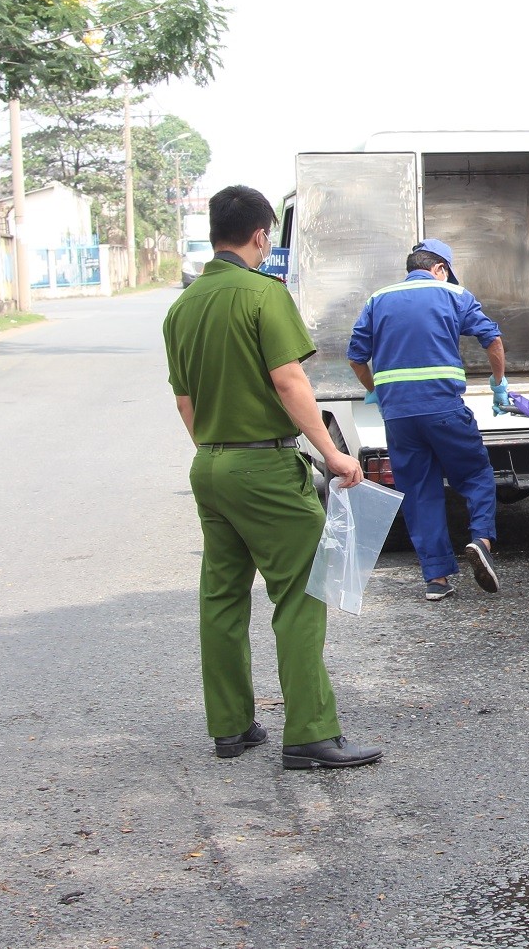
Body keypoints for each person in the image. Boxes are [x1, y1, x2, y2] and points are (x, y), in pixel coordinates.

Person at [162, 185, 382, 770]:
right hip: (263, 465)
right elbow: (289, 381)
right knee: (302, 591)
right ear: (261, 235)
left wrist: (219, 450)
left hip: (210, 463)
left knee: (223, 597)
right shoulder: (264, 294)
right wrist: (332, 454)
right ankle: (310, 733)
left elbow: (184, 401)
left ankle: (231, 727)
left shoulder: (182, 307)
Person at [348, 238, 508, 601]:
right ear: (440, 269)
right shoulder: (454, 295)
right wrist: (499, 384)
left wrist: (375, 389)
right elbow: (492, 340)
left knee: (420, 492)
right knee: (475, 475)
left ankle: (436, 580)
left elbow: (356, 356)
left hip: (399, 416)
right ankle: (481, 539)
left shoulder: (378, 299)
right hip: (443, 409)